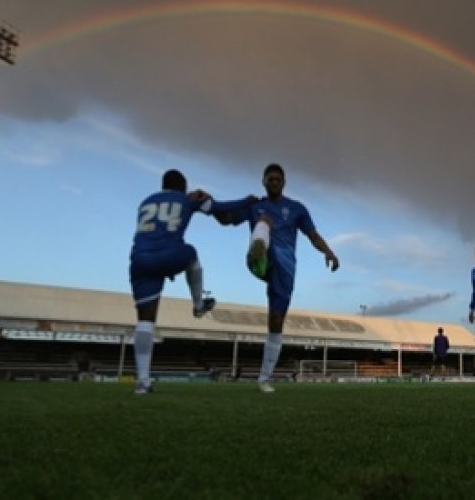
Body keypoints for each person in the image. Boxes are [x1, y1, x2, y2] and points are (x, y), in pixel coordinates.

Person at [213, 163, 339, 393]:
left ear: (283, 182)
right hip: (260, 261)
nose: (273, 182)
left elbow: (313, 235)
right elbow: (227, 219)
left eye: (277, 179)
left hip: (284, 270)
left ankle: (264, 379)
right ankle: (260, 244)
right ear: (263, 181)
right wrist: (211, 206)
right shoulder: (255, 206)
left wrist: (329, 251)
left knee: (276, 323)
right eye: (269, 179)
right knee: (265, 221)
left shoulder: (297, 209)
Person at [128, 169, 249, 395]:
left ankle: (142, 382)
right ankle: (198, 305)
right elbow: (220, 208)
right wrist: (247, 200)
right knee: (191, 253)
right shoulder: (186, 199)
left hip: (139, 259)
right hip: (169, 254)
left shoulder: (145, 201)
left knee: (145, 322)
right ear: (183, 186)